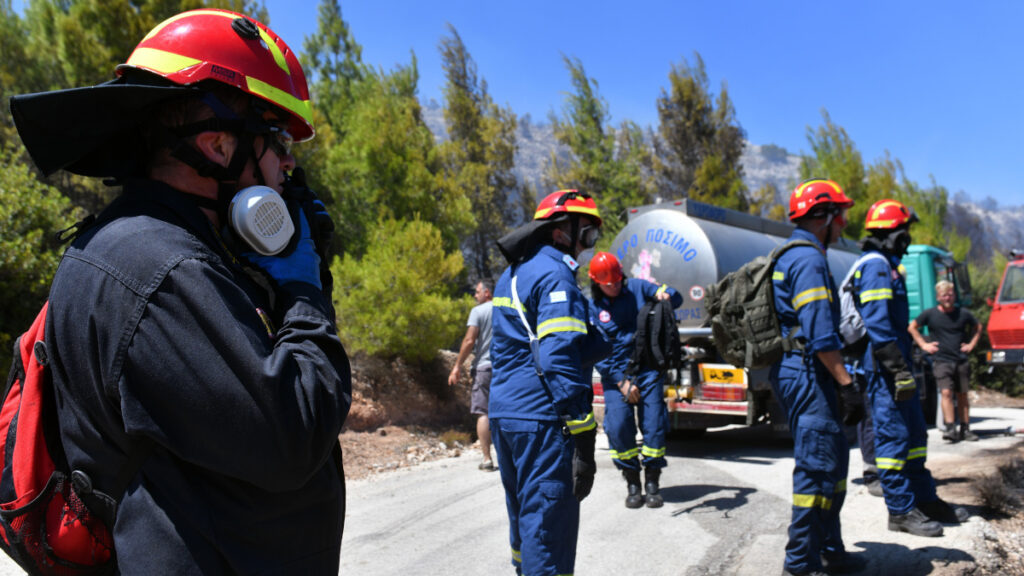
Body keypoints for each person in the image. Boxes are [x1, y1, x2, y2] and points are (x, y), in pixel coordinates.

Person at [10, 9, 351, 574]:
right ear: (219, 146)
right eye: (274, 141)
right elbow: (294, 433)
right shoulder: (163, 270)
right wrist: (303, 291)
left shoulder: (144, 245)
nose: (288, 165)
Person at [490, 190, 604, 576]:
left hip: (507, 416)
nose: (589, 246)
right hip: (543, 420)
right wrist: (584, 431)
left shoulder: (512, 273)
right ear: (560, 232)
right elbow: (557, 358)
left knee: (524, 527)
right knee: (547, 536)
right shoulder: (556, 274)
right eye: (588, 235)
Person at [850, 199, 967, 538]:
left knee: (915, 435)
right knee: (892, 436)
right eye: (905, 232)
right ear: (891, 233)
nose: (908, 238)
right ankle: (900, 510)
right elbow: (877, 323)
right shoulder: (874, 265)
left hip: (899, 363)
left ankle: (924, 500)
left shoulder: (889, 264)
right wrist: (896, 367)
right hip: (885, 367)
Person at [770, 178, 865, 576]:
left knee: (832, 463)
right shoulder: (807, 259)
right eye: (840, 215)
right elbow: (821, 334)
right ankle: (800, 565)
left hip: (801, 370)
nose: (844, 223)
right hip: (807, 372)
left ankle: (830, 549)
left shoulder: (799, 253)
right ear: (822, 216)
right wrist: (847, 383)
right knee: (816, 465)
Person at [587, 251, 682, 509]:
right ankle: (632, 481)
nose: (614, 286)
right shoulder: (591, 308)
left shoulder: (639, 288)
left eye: (617, 281)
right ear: (597, 283)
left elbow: (676, 296)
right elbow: (594, 349)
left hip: (649, 370)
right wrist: (621, 382)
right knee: (618, 427)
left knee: (654, 425)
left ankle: (652, 481)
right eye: (608, 284)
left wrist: (666, 295)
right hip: (615, 376)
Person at [909, 280, 981, 442]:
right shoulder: (930, 314)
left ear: (954, 295)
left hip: (961, 360)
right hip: (941, 360)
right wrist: (924, 345)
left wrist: (971, 344)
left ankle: (965, 428)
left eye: (950, 295)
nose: (947, 298)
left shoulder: (963, 314)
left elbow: (978, 327)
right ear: (938, 297)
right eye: (944, 295)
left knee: (962, 394)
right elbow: (912, 327)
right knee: (946, 393)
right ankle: (950, 428)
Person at [449, 279, 496, 470]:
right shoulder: (505, 309)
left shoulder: (479, 311)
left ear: (487, 293)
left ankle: (487, 459)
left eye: (477, 292)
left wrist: (457, 365)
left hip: (484, 368)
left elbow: (469, 340)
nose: (475, 296)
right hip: (506, 368)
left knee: (483, 413)